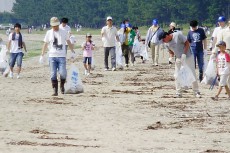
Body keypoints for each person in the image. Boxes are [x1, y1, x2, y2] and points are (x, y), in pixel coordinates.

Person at [158, 31, 201, 98]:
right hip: (178, 58)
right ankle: (178, 92)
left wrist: (184, 53)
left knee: (192, 73)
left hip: (188, 56)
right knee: (177, 75)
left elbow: (187, 43)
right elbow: (171, 51)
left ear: (166, 36)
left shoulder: (178, 35)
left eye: (163, 40)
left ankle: (196, 91)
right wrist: (171, 57)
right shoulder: (166, 44)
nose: (163, 41)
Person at [41, 17, 75, 96]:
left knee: (63, 73)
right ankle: (55, 90)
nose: (55, 27)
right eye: (53, 26)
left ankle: (62, 85)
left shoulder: (64, 32)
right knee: (53, 74)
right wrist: (42, 54)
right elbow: (45, 43)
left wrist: (72, 51)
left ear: (58, 24)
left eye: (56, 25)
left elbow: (68, 41)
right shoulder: (49, 32)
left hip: (61, 56)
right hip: (52, 56)